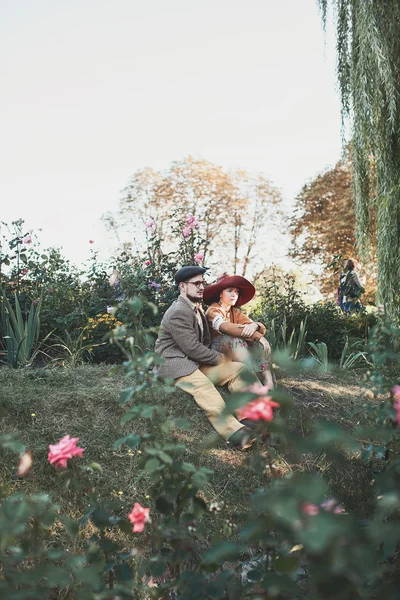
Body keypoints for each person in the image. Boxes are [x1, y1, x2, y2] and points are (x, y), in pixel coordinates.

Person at [154, 266, 263, 449]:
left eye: (202, 283)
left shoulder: (197, 308)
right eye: (196, 283)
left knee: (239, 369)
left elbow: (202, 344)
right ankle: (236, 434)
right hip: (174, 362)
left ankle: (252, 418)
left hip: (194, 360)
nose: (201, 287)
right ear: (182, 286)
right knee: (203, 387)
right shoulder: (178, 311)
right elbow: (192, 348)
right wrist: (219, 357)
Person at [203, 273, 275, 389]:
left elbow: (258, 327)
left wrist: (254, 325)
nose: (234, 294)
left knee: (255, 343)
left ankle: (269, 384)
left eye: (236, 291)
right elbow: (225, 327)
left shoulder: (235, 312)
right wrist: (258, 336)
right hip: (216, 351)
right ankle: (252, 381)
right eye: (230, 291)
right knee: (236, 340)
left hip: (234, 350)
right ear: (220, 294)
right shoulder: (213, 310)